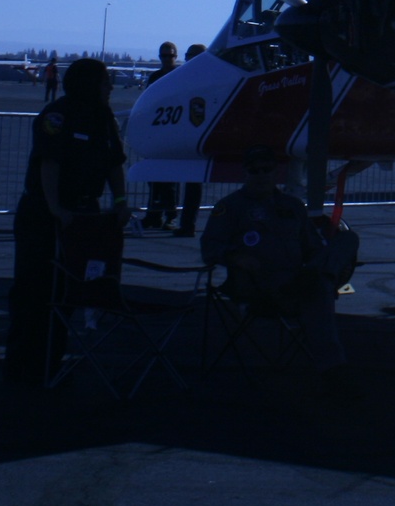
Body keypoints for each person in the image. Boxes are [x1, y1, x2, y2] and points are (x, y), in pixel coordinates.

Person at [5, 57, 129, 386]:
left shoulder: (104, 118)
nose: (110, 88)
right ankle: (21, 369)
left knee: (69, 293)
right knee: (33, 293)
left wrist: (120, 202)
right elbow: (50, 164)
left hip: (83, 213)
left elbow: (115, 164)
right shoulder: (57, 116)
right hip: (44, 215)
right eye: (105, 82)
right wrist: (56, 208)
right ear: (89, 84)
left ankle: (51, 363)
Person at [202, 144, 357, 384]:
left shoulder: (292, 206)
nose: (262, 175)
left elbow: (312, 247)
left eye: (267, 169)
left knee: (346, 240)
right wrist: (235, 257)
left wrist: (322, 262)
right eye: (255, 170)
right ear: (245, 172)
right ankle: (333, 369)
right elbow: (209, 247)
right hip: (257, 284)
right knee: (320, 291)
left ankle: (324, 275)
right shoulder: (230, 207)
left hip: (298, 278)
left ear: (276, 172)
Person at [140, 42, 181, 230]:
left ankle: (171, 215)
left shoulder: (182, 76)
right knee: (154, 177)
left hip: (173, 134)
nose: (167, 59)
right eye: (164, 56)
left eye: (170, 56)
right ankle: (153, 215)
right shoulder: (154, 77)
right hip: (156, 134)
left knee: (170, 179)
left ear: (175, 57)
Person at [174, 44, 208, 237]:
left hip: (197, 139)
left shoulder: (204, 81)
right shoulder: (183, 78)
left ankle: (187, 223)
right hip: (187, 137)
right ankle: (183, 221)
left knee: (193, 183)